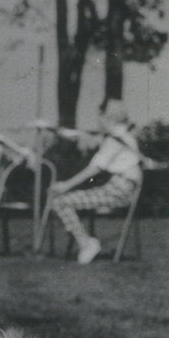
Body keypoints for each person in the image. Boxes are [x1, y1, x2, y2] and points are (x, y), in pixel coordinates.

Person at [49, 100, 142, 264]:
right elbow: (93, 139)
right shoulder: (123, 136)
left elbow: (94, 169)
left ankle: (86, 244)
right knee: (66, 200)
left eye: (100, 118)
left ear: (107, 118)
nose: (98, 122)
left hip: (118, 190)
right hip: (121, 187)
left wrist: (66, 185)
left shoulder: (115, 140)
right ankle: (84, 241)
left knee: (61, 201)